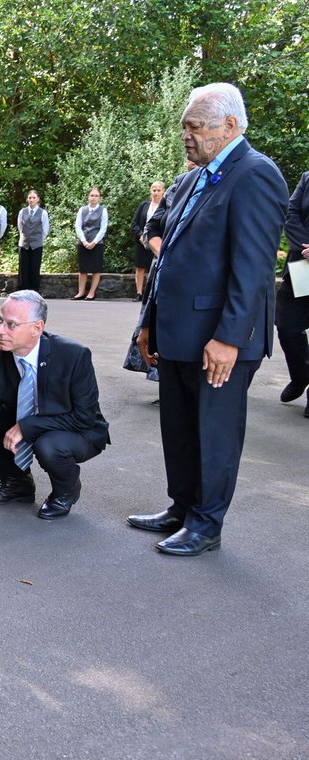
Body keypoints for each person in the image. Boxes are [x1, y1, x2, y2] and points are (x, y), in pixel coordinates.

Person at [130, 83, 287, 556]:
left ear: (230, 126)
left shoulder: (255, 174)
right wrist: (148, 321)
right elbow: (170, 256)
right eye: (185, 127)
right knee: (177, 427)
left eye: (196, 127)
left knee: (213, 433)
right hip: (177, 331)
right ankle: (182, 507)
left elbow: (254, 269)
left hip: (219, 340)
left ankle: (206, 523)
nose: (187, 136)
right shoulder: (198, 176)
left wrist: (229, 338)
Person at [0, 290, 110, 521]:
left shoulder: (74, 355)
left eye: (11, 324)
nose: (0, 330)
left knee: (49, 444)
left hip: (76, 431)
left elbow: (84, 417)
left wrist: (27, 426)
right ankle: (17, 483)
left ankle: (66, 491)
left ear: (36, 328)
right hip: (27, 419)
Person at [275, 170, 309, 417]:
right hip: (303, 264)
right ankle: (301, 375)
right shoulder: (307, 177)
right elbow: (291, 212)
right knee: (287, 326)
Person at [130, 182, 166, 301]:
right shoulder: (144, 205)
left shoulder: (166, 205)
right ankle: (139, 293)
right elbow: (134, 223)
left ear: (163, 191)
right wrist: (140, 235)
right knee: (140, 267)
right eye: (153, 190)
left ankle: (152, 293)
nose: (156, 192)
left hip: (158, 241)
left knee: (156, 266)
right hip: (142, 242)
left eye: (158, 190)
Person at [72, 188, 107, 300]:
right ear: (88, 197)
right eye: (92, 195)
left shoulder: (103, 211)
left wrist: (94, 242)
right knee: (83, 269)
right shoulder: (82, 210)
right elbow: (78, 226)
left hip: (97, 243)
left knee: (96, 269)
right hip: (83, 242)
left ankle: (91, 293)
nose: (93, 198)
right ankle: (81, 292)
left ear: (99, 198)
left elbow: (103, 228)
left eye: (96, 196)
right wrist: (84, 241)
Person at [17, 189, 49, 292]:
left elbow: (45, 229)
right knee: (23, 268)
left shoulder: (43, 213)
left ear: (38, 199)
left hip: (37, 244)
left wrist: (38, 239)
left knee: (35, 267)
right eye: (30, 198)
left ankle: (34, 289)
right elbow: (20, 227)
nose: (31, 200)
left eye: (34, 198)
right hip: (24, 243)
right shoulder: (22, 212)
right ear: (27, 199)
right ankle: (23, 289)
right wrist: (25, 237)